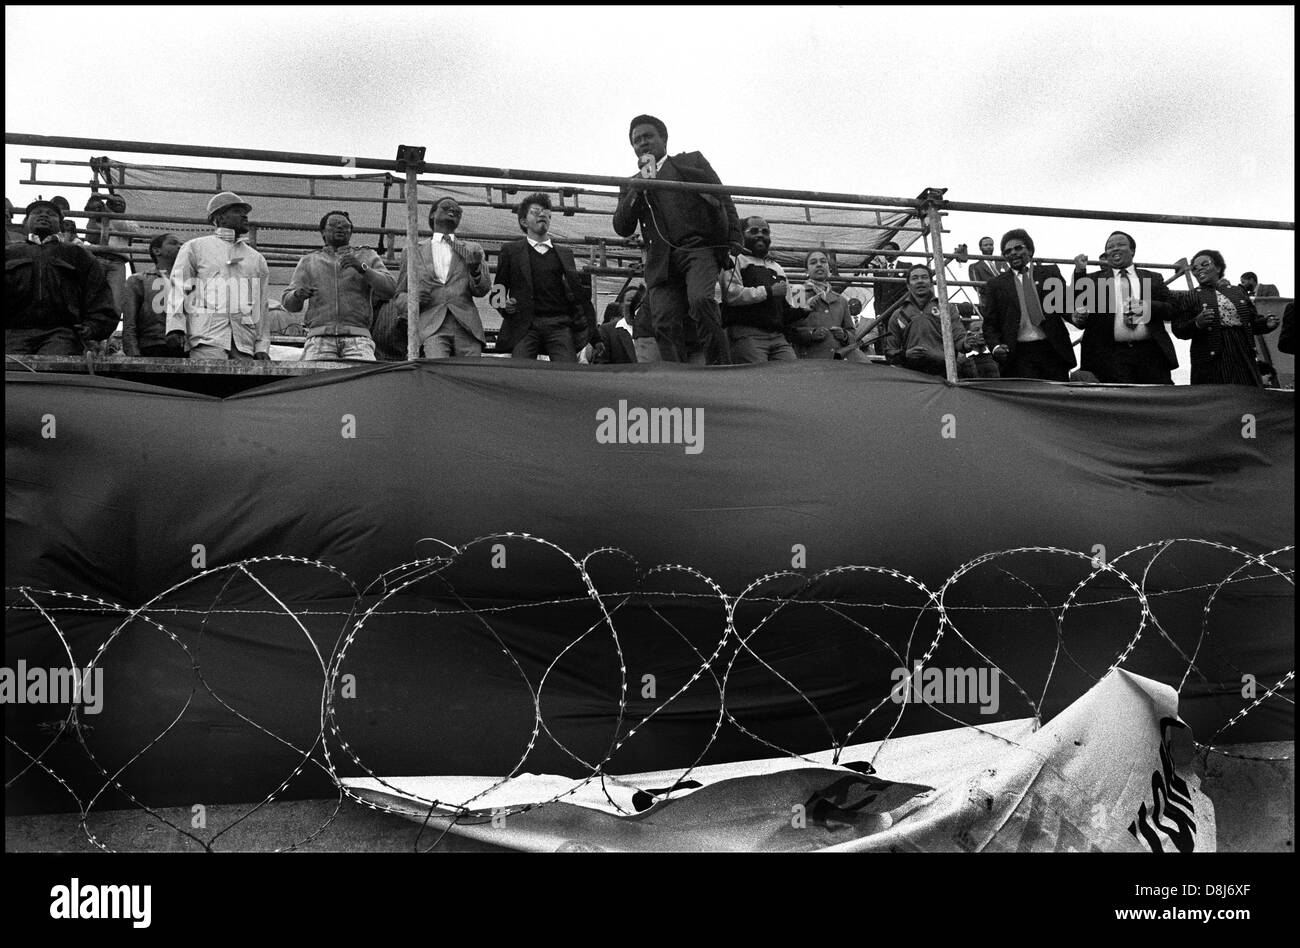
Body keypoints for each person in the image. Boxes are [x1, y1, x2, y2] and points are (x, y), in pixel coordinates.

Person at [612, 114, 742, 364]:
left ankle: (720, 367)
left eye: (648, 136)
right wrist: (637, 190)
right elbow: (622, 227)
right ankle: (678, 375)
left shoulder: (691, 162)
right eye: (636, 140)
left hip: (697, 248)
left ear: (663, 139)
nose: (642, 143)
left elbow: (723, 196)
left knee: (702, 301)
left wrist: (734, 235)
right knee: (662, 320)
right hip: (662, 260)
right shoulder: (631, 184)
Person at [165, 191, 271, 360]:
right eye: (237, 211)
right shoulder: (195, 248)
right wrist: (175, 327)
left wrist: (262, 346)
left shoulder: (256, 259)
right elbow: (178, 288)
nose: (245, 216)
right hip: (207, 338)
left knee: (242, 387)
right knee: (206, 385)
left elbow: (261, 306)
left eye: (245, 212)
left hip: (244, 343)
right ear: (220, 218)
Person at [5, 199, 117, 354]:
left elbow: (98, 294)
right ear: (26, 221)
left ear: (60, 224)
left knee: (54, 375)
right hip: (12, 333)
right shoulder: (9, 253)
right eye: (37, 212)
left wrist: (92, 327)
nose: (44, 215)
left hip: (61, 334)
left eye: (51, 214)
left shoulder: (77, 254)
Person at [282, 209, 395, 361]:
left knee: (362, 383)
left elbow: (390, 289)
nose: (340, 228)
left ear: (351, 233)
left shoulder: (367, 256)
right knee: (318, 383)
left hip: (358, 339)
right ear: (323, 232)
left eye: (345, 226)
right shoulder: (309, 261)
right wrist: (297, 295)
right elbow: (289, 305)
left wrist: (362, 268)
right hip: (319, 339)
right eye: (334, 224)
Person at [1069, 230, 1178, 384]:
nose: (1115, 249)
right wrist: (1080, 271)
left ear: (1132, 250)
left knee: (1155, 402)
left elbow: (1172, 309)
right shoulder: (1094, 280)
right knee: (1118, 403)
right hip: (1110, 357)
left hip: (1151, 355)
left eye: (1120, 244)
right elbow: (1078, 301)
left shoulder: (1153, 278)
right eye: (1110, 247)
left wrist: (1147, 307)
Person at [392, 195, 490, 358]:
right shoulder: (413, 250)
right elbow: (399, 294)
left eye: (458, 210)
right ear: (432, 214)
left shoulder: (473, 249)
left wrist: (475, 271)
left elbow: (483, 289)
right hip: (431, 325)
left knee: (471, 375)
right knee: (436, 375)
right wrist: (412, 299)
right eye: (446, 207)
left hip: (467, 325)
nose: (453, 210)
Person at [493, 193, 586, 362]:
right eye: (535, 212)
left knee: (570, 374)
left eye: (546, 213)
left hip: (559, 323)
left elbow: (575, 293)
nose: (542, 215)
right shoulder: (511, 251)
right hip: (525, 325)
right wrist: (504, 306)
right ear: (523, 221)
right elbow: (497, 292)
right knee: (521, 372)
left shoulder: (565, 254)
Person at [1170, 249, 1279, 386]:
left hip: (1242, 351)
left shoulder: (1238, 292)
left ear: (1218, 267)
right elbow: (1179, 329)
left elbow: (1251, 322)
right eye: (1195, 268)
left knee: (1245, 393)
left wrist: (1265, 324)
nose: (1199, 270)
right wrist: (1197, 323)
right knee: (1215, 397)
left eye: (1205, 264)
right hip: (1210, 357)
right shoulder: (1189, 296)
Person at [982, 228, 1075, 380]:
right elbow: (990, 324)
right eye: (1007, 251)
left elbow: (1064, 304)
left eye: (1018, 248)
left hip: (1052, 349)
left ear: (1030, 250)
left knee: (1056, 399)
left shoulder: (1049, 273)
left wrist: (1076, 317)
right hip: (1018, 355)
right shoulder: (995, 284)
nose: (1013, 253)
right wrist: (996, 347)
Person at [719, 216, 799, 363]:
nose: (760, 235)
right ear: (742, 235)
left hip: (777, 336)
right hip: (747, 334)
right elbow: (731, 294)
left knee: (792, 376)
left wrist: (804, 310)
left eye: (765, 232)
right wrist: (768, 291)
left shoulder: (777, 267)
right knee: (758, 380)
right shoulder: (734, 259)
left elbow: (786, 307)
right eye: (754, 231)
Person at [884, 264, 978, 378]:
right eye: (915, 278)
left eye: (924, 277)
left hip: (945, 373)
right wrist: (906, 354)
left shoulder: (947, 309)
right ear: (908, 285)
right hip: (911, 374)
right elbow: (890, 352)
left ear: (931, 283)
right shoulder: (898, 315)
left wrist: (966, 344)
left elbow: (959, 338)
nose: (920, 281)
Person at [123, 233, 184, 357]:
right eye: (173, 243)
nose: (180, 247)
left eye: (181, 244)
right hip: (151, 346)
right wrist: (133, 354)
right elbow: (130, 321)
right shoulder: (138, 280)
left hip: (185, 348)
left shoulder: (189, 281)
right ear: (157, 251)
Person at [787, 249, 856, 359]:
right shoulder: (798, 292)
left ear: (829, 267)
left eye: (823, 261)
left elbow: (852, 333)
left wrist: (844, 335)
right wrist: (811, 334)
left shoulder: (841, 300)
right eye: (813, 262)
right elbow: (790, 329)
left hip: (835, 362)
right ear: (806, 270)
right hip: (807, 360)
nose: (819, 265)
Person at [83, 192, 141, 316]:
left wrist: (108, 213)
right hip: (97, 258)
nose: (119, 205)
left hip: (117, 262)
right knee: (92, 295)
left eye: (121, 203)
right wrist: (96, 206)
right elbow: (90, 234)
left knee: (115, 300)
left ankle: (108, 326)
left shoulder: (129, 221)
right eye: (115, 202)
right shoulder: (98, 217)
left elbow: (131, 230)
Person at [967, 236, 1006, 315]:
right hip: (988, 302)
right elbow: (978, 287)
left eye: (991, 245)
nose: (989, 247)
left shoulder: (1002, 263)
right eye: (986, 245)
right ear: (980, 248)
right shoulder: (974, 267)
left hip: (1006, 301)